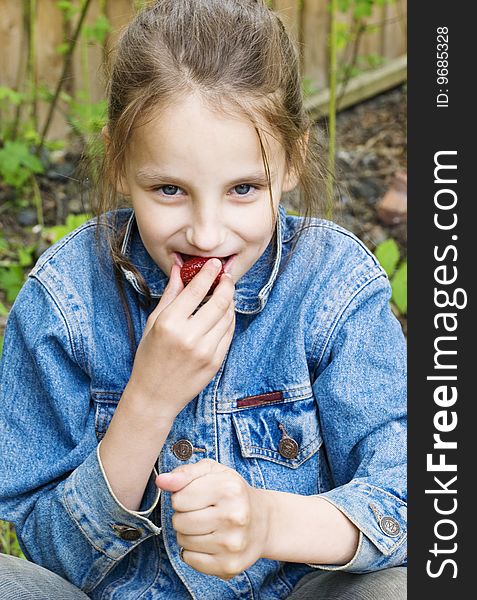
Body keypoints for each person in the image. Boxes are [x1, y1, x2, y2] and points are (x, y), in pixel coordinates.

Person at [0, 1, 406, 598]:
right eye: (169, 189)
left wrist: (267, 522)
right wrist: (149, 397)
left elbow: (416, 499)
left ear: (292, 159)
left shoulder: (333, 289)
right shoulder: (65, 301)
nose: (208, 234)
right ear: (119, 162)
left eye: (244, 189)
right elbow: (45, 550)